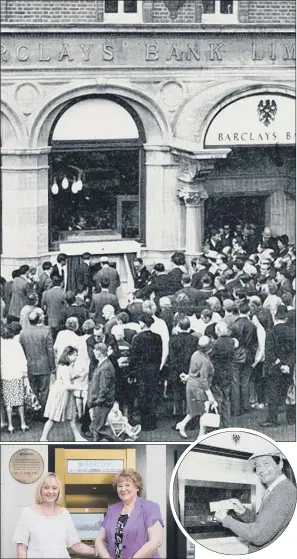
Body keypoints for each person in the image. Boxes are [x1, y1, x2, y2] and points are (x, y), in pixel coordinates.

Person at [214, 451, 297, 553]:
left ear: (280, 464)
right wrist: (244, 512)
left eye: (266, 463)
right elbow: (264, 524)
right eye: (257, 466)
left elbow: (258, 535)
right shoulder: (277, 488)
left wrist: (225, 519)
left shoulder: (283, 491)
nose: (261, 470)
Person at [13, 471, 96, 558]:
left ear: (58, 491)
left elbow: (75, 545)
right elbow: (21, 549)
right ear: (40, 490)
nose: (50, 491)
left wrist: (98, 551)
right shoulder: (28, 513)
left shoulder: (64, 514)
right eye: (46, 487)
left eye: (54, 488)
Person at [95, 468, 163, 559]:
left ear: (137, 487)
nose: (123, 489)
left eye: (127, 485)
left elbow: (156, 541)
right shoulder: (112, 509)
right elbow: (100, 539)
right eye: (120, 486)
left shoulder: (150, 507)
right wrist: (106, 557)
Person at [174, 336, 217, 438]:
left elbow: (194, 372)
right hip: (199, 388)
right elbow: (203, 380)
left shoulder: (195, 354)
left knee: (192, 410)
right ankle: (201, 435)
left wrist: (189, 376)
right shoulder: (205, 361)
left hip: (190, 384)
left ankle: (181, 425)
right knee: (203, 412)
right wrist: (210, 396)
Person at [41, 346, 86, 442]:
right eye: (74, 355)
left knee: (71, 417)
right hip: (61, 394)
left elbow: (68, 379)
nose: (76, 357)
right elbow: (67, 385)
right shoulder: (65, 368)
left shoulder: (66, 367)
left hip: (65, 394)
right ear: (68, 355)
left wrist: (77, 375)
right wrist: (82, 388)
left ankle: (77, 437)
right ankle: (43, 438)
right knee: (53, 417)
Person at [130, 313, 162, 431]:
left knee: (142, 395)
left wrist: (132, 372)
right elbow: (159, 355)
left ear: (142, 323)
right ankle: (152, 422)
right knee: (152, 395)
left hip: (141, 370)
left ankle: (145, 422)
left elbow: (133, 358)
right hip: (153, 370)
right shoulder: (158, 337)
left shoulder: (137, 338)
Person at [20, 310, 56, 412]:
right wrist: (52, 366)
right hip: (44, 365)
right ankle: (42, 411)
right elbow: (50, 350)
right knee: (44, 390)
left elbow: (22, 350)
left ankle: (33, 410)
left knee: (32, 388)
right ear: (39, 319)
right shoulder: (46, 331)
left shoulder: (23, 333)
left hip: (29, 365)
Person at [1, 324, 29, 433]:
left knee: (8, 402)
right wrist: (25, 373)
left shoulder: (2, 346)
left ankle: (10, 426)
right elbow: (23, 360)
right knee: (19, 400)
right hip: (17, 374)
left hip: (6, 375)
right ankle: (23, 423)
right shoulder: (16, 344)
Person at [88, 342, 116, 441]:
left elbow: (104, 388)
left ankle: (117, 440)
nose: (94, 352)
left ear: (99, 352)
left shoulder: (105, 367)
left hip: (102, 403)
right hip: (99, 402)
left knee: (96, 427)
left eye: (95, 350)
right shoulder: (103, 364)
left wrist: (98, 401)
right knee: (95, 427)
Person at [42, 276, 66, 340]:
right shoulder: (62, 293)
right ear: (61, 283)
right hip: (60, 321)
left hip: (50, 320)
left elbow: (43, 307)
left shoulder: (46, 293)